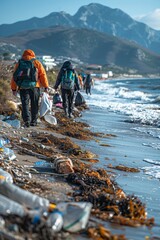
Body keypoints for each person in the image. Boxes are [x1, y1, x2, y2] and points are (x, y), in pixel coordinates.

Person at [11, 49, 49, 127]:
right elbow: (43, 75)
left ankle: (26, 120)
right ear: (33, 54)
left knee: (25, 104)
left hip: (22, 87)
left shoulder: (19, 63)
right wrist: (46, 86)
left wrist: (14, 89)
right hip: (35, 86)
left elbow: (14, 77)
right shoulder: (36, 62)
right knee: (34, 104)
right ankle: (33, 121)